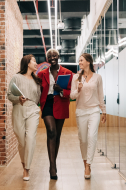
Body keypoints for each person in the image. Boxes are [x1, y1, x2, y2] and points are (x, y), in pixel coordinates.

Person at [37, 49, 73, 180]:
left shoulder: (67, 73)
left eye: (54, 55)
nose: (52, 57)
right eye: (50, 56)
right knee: (51, 131)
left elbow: (71, 92)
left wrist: (62, 90)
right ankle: (52, 167)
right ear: (47, 58)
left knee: (57, 135)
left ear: (59, 57)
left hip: (61, 103)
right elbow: (38, 89)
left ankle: (53, 162)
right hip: (47, 103)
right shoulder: (41, 74)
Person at [70, 53, 106, 179]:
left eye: (81, 60)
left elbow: (101, 95)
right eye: (79, 60)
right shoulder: (76, 78)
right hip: (81, 111)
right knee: (83, 139)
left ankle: (88, 165)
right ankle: (85, 161)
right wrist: (78, 90)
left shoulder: (98, 77)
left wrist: (103, 111)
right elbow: (72, 96)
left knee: (92, 136)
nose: (79, 62)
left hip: (94, 111)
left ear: (88, 62)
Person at [7, 54, 41, 181]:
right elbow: (9, 95)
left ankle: (27, 168)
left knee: (30, 138)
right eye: (34, 61)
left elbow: (38, 97)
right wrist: (18, 98)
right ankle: (24, 163)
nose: (36, 63)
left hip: (32, 109)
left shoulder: (37, 80)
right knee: (21, 140)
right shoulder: (16, 77)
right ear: (27, 63)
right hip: (18, 109)